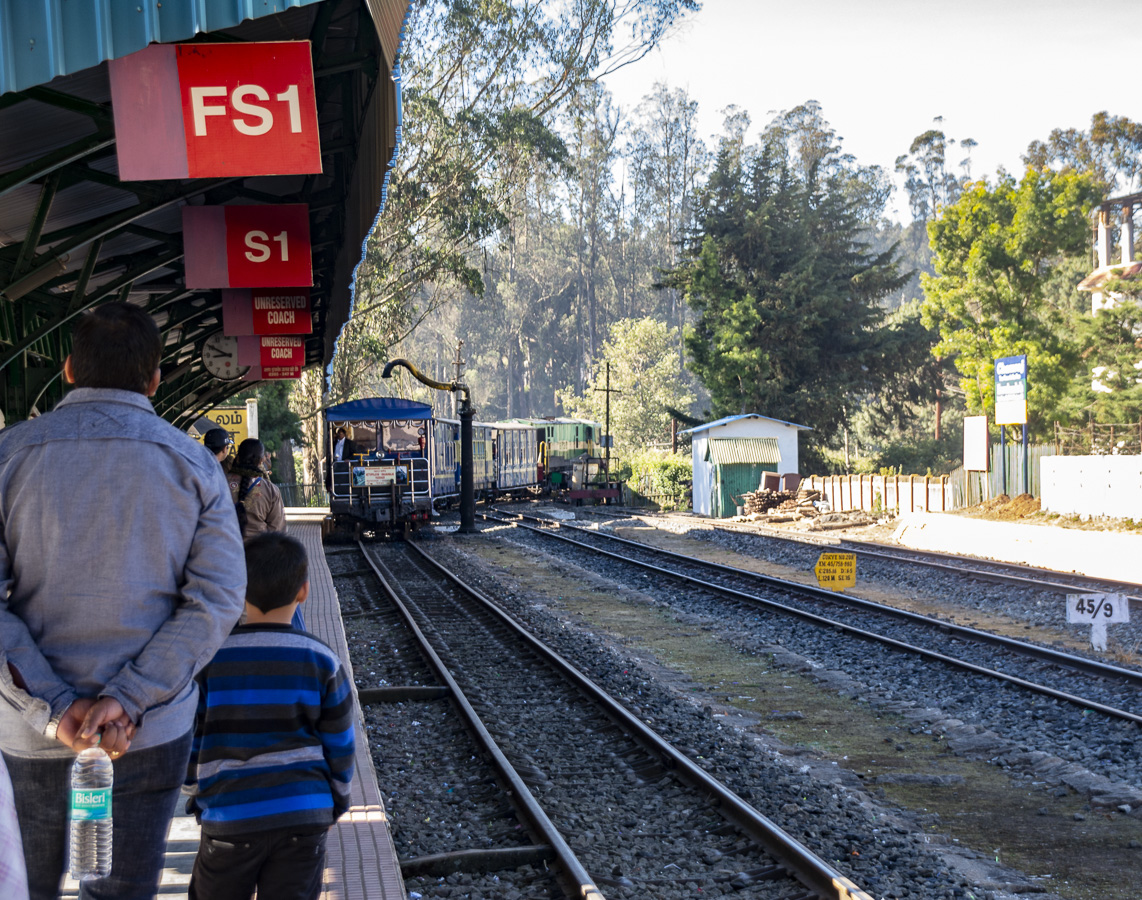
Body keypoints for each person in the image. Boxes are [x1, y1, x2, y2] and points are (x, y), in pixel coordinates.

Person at [0, 302, 246, 900]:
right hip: (145, 733)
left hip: (29, 734)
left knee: (24, 888)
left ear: (67, 370)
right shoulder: (194, 465)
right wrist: (127, 697)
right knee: (119, 890)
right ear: (156, 378)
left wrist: (57, 710)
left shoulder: (8, 456)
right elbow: (216, 599)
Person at [186, 532, 355, 900]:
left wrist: (194, 794)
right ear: (303, 592)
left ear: (240, 589)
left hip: (230, 817)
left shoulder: (213, 659)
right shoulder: (323, 660)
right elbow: (340, 743)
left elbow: (193, 735)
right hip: (303, 815)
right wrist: (335, 801)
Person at [227, 438, 285, 538]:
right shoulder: (271, 490)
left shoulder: (220, 482)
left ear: (238, 457)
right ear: (261, 460)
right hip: (259, 549)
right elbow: (277, 529)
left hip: (225, 548)